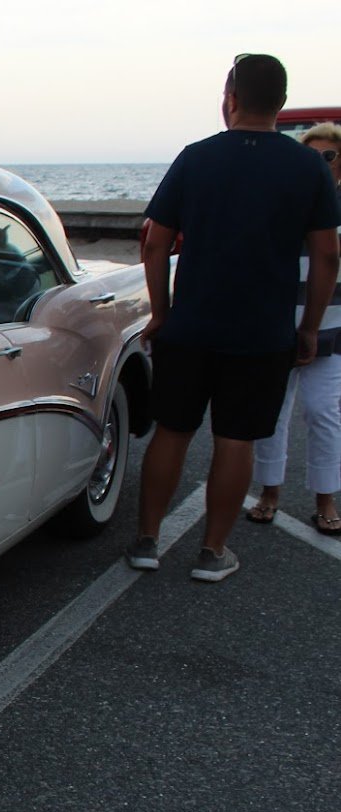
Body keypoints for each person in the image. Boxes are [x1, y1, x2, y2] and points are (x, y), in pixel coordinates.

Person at [129, 54, 341, 581]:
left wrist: (161, 312)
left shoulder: (196, 158)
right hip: (264, 332)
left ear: (230, 99)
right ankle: (212, 552)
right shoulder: (308, 166)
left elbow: (155, 243)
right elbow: (327, 257)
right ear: (282, 105)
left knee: (172, 432)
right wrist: (309, 326)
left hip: (192, 325)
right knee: (236, 439)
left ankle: (147, 541)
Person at [246, 123, 341, 535]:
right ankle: (270, 493)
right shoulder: (283, 205)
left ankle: (326, 499)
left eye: (329, 157)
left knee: (325, 413)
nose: (321, 164)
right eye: (313, 156)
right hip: (281, 328)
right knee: (273, 413)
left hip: (333, 331)